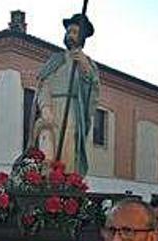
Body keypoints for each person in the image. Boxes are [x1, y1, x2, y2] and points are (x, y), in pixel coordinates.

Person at [33, 12, 100, 175]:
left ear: (82, 37)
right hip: (51, 109)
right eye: (68, 31)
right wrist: (46, 107)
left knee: (67, 153)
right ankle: (46, 182)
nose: (70, 35)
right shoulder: (55, 60)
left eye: (75, 32)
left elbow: (92, 88)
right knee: (46, 148)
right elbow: (43, 85)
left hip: (71, 111)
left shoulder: (87, 63)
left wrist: (84, 67)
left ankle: (65, 186)